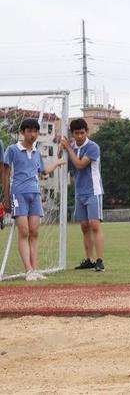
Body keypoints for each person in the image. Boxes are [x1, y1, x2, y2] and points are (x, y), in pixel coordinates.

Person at [2, 119, 66, 281]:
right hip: (18, 194)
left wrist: (57, 163)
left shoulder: (37, 153)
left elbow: (43, 172)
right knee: (24, 231)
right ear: (22, 132)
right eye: (29, 131)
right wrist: (6, 197)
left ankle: (35, 269)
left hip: (35, 195)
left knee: (34, 232)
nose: (32, 134)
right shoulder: (12, 150)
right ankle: (28, 270)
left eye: (35, 131)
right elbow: (5, 174)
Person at [59, 118, 106, 272]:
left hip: (93, 190)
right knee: (84, 227)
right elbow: (63, 164)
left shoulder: (93, 147)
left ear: (87, 132)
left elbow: (79, 165)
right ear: (72, 134)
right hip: (80, 192)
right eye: (76, 133)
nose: (79, 136)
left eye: (82, 133)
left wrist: (68, 149)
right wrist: (61, 149)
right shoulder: (72, 147)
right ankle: (89, 260)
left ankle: (100, 260)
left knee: (94, 225)